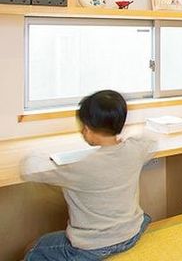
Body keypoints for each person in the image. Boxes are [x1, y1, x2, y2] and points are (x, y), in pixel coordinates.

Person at [22, 90, 155, 260]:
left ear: (87, 128)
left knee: (35, 248)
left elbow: (29, 169)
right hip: (131, 233)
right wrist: (123, 140)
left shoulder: (79, 167)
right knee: (143, 217)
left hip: (92, 246)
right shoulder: (135, 151)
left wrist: (34, 154)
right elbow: (150, 139)